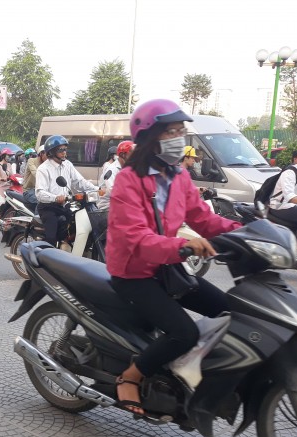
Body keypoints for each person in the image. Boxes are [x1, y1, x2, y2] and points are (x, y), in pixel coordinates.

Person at [106, 99, 241, 417]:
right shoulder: (129, 180)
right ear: (151, 138)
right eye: (171, 131)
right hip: (134, 273)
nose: (180, 137)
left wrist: (246, 231)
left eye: (182, 130)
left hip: (167, 266)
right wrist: (185, 246)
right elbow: (136, 238)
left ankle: (192, 371)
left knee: (232, 310)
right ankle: (130, 377)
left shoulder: (178, 176)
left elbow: (204, 219)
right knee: (185, 332)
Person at [35, 135, 103, 247]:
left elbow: (79, 181)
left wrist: (97, 189)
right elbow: (40, 193)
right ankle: (46, 259)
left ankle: (67, 248)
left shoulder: (67, 164)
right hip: (48, 207)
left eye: (65, 149)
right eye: (61, 150)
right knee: (52, 237)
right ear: (52, 152)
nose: (64, 152)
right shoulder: (43, 169)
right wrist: (55, 197)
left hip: (64, 204)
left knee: (75, 226)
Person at [98, 140, 134, 209]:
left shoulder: (128, 168)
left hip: (122, 204)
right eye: (132, 155)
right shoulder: (112, 170)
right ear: (123, 155)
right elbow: (114, 192)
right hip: (108, 206)